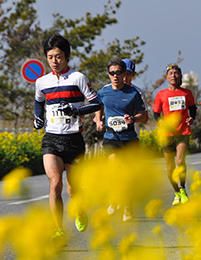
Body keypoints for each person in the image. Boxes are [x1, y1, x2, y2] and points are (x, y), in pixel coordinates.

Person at [34, 34, 101, 243]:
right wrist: (37, 117)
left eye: (59, 57)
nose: (55, 61)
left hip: (74, 140)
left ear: (67, 57)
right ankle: (58, 230)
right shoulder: (41, 81)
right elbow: (38, 102)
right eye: (51, 57)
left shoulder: (77, 78)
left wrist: (76, 110)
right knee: (55, 183)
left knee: (73, 189)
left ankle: (80, 210)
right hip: (51, 139)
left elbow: (96, 103)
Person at [94, 58, 148, 221]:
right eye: (112, 73)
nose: (115, 76)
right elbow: (98, 107)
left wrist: (133, 118)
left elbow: (144, 116)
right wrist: (98, 120)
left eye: (118, 72)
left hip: (130, 138)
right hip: (111, 137)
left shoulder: (133, 93)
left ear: (125, 74)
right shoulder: (103, 92)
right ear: (108, 74)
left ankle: (127, 208)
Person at [152, 64, 197, 206]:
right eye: (171, 73)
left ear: (180, 76)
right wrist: (160, 122)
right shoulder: (161, 94)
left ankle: (183, 189)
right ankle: (176, 192)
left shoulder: (186, 93)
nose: (174, 76)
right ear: (166, 77)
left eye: (176, 73)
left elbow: (193, 108)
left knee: (179, 161)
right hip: (167, 134)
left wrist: (192, 118)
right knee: (170, 166)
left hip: (182, 131)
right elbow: (155, 113)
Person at [122, 58, 148, 138]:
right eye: (123, 73)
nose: (125, 77)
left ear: (134, 74)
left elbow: (145, 120)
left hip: (132, 137)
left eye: (128, 74)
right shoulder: (108, 90)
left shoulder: (138, 93)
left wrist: (135, 116)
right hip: (113, 138)